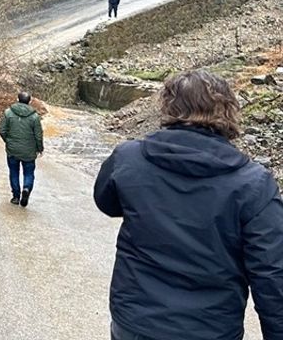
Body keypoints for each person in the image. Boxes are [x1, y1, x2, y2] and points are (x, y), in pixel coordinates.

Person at [94, 70, 283, 340]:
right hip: (210, 329)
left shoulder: (129, 157)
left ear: (169, 106)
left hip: (136, 323)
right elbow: (272, 275)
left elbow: (106, 202)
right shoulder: (254, 184)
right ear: (228, 111)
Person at [0, 91, 42, 207]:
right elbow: (38, 135)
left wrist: (8, 141)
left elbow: (2, 130)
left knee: (14, 172)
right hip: (29, 151)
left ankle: (16, 197)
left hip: (12, 150)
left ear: (17, 99)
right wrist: (40, 148)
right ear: (30, 101)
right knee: (29, 173)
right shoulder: (34, 116)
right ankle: (26, 188)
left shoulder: (8, 113)